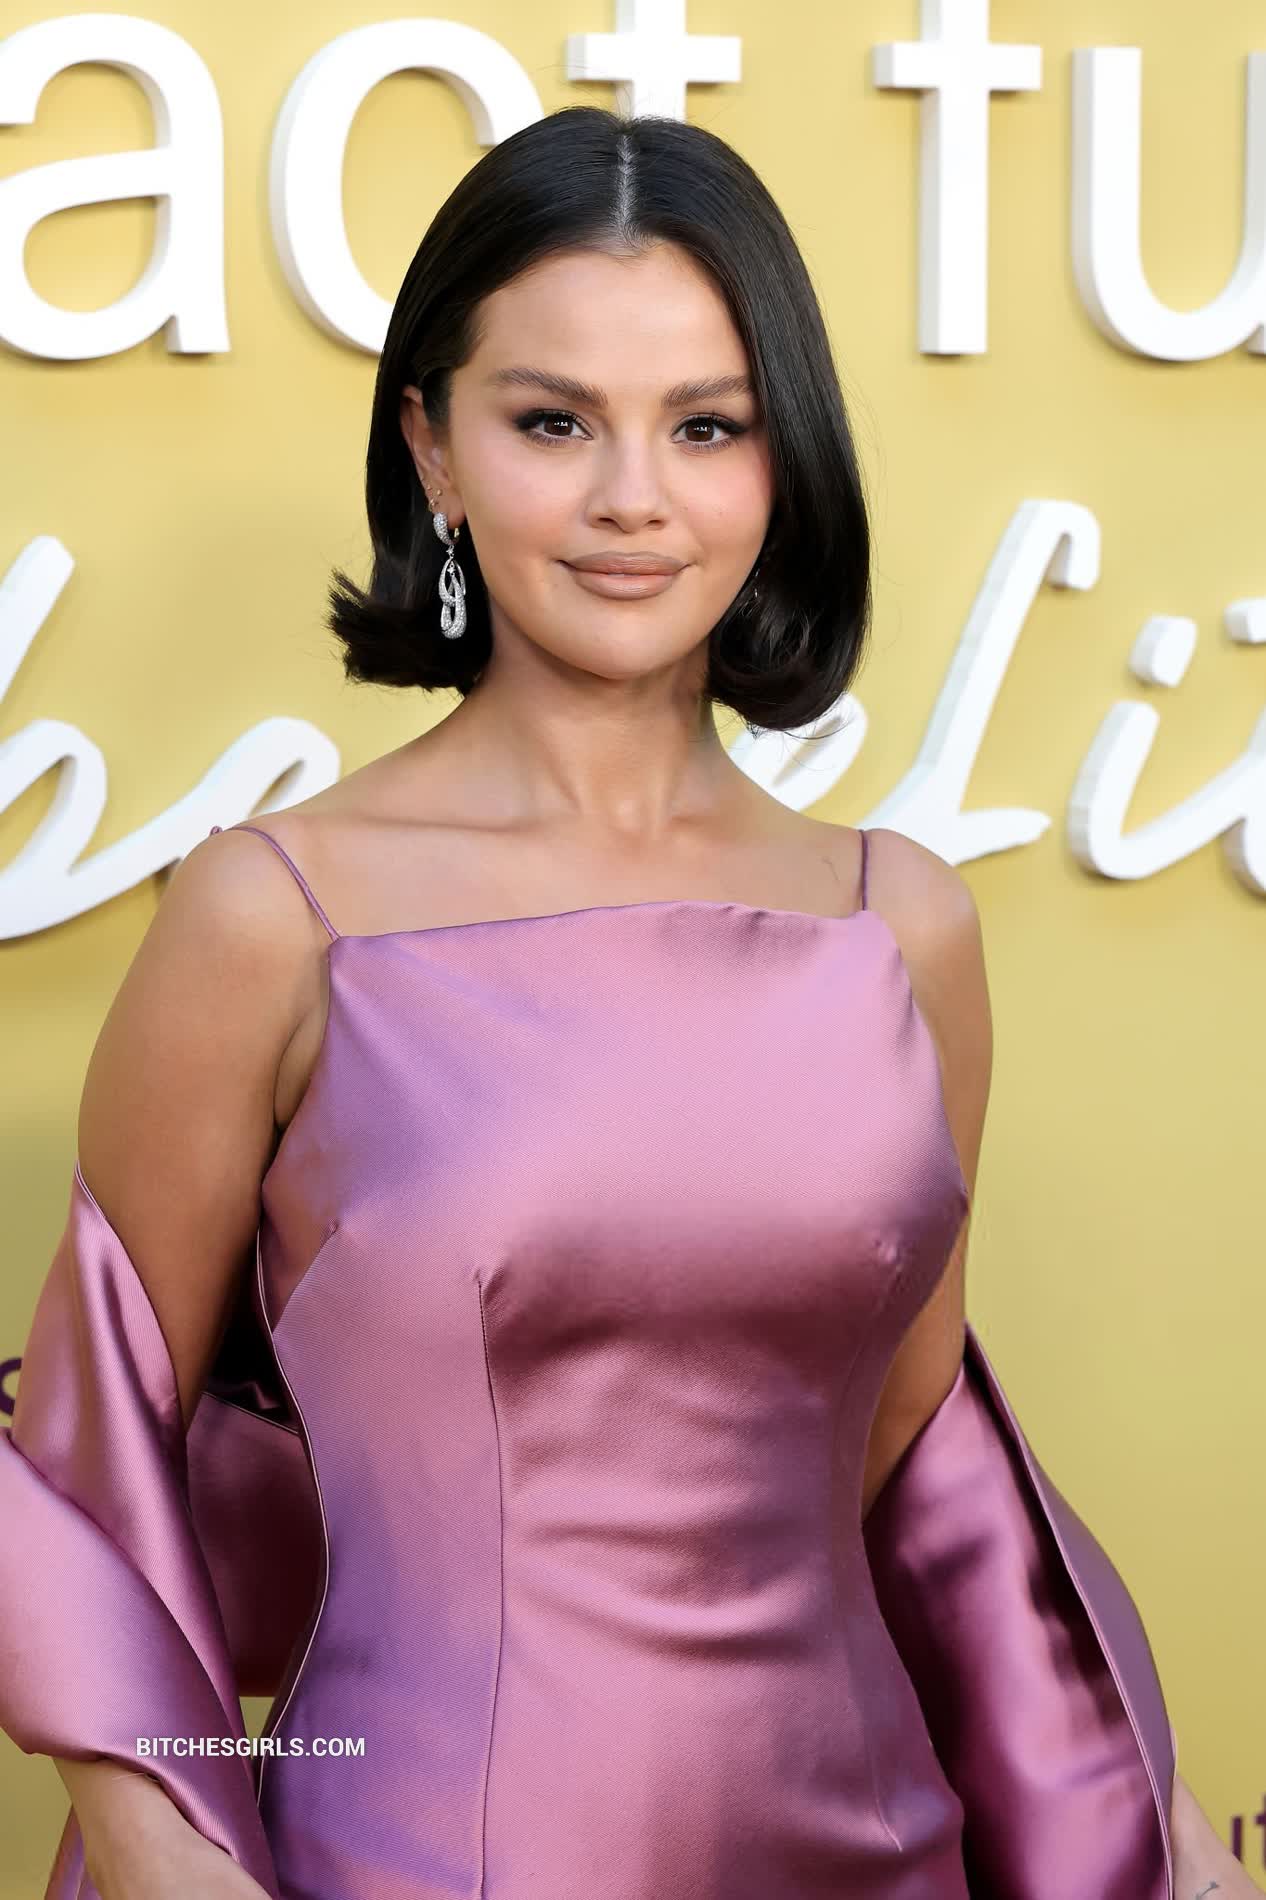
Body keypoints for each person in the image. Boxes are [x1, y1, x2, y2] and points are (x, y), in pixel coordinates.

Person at [0, 104, 1247, 1900]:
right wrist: (161, 1850)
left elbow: (919, 1460)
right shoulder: (274, 917)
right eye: (552, 421)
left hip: (875, 1854)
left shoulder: (901, 927)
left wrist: (1137, 1829)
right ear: (431, 448)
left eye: (706, 426)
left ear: (780, 460)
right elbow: (87, 1459)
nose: (632, 499)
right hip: (420, 1858)